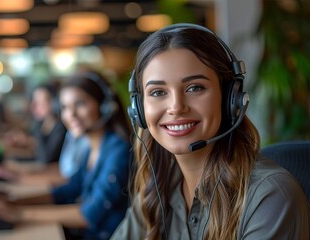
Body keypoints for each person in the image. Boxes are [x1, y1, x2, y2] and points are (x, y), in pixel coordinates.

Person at [111, 23, 310, 240]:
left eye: (195, 88)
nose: (176, 107)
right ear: (139, 110)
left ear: (229, 99)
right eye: (158, 92)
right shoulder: (159, 190)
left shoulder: (270, 196)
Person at [0, 70, 133, 240]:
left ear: (105, 106)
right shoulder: (93, 147)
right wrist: (11, 201)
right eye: (64, 107)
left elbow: (89, 214)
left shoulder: (118, 150)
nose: (71, 115)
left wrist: (18, 213)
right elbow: (68, 189)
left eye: (80, 104)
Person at [0, 83, 67, 182]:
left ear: (55, 103)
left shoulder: (60, 127)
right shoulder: (44, 124)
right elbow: (36, 151)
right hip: (45, 177)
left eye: (40, 102)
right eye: (35, 101)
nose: (34, 106)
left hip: (53, 179)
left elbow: (45, 158)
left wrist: (37, 124)